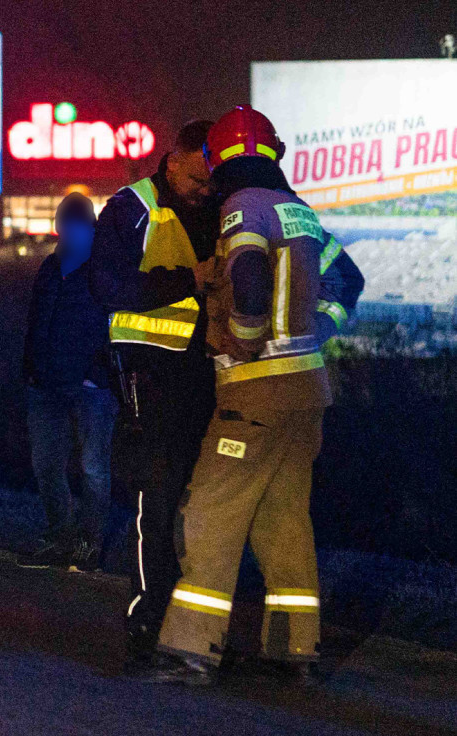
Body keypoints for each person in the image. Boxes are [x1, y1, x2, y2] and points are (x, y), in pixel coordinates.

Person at [142, 106, 363, 685]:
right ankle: (295, 653)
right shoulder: (299, 211)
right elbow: (349, 281)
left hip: (254, 394)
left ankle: (190, 651)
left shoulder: (243, 207)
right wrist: (315, 329)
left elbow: (246, 277)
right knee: (282, 521)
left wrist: (244, 338)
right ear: (273, 153)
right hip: (306, 394)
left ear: (219, 158)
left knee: (208, 515)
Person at [88, 121, 221, 666]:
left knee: (204, 504)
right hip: (149, 374)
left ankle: (193, 628)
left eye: (211, 181)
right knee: (158, 498)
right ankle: (147, 624)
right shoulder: (131, 208)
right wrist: (189, 279)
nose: (204, 190)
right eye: (196, 179)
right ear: (172, 161)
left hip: (210, 372)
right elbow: (108, 287)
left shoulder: (222, 205)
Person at [16, 194, 116, 573]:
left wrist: (97, 374)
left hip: (90, 387)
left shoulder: (104, 269)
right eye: (64, 224)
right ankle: (59, 536)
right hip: (46, 383)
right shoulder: (50, 266)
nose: (68, 231)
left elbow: (116, 326)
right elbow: (36, 321)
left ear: (89, 228)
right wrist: (31, 369)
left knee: (93, 468)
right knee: (46, 465)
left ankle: (88, 543)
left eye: (75, 224)